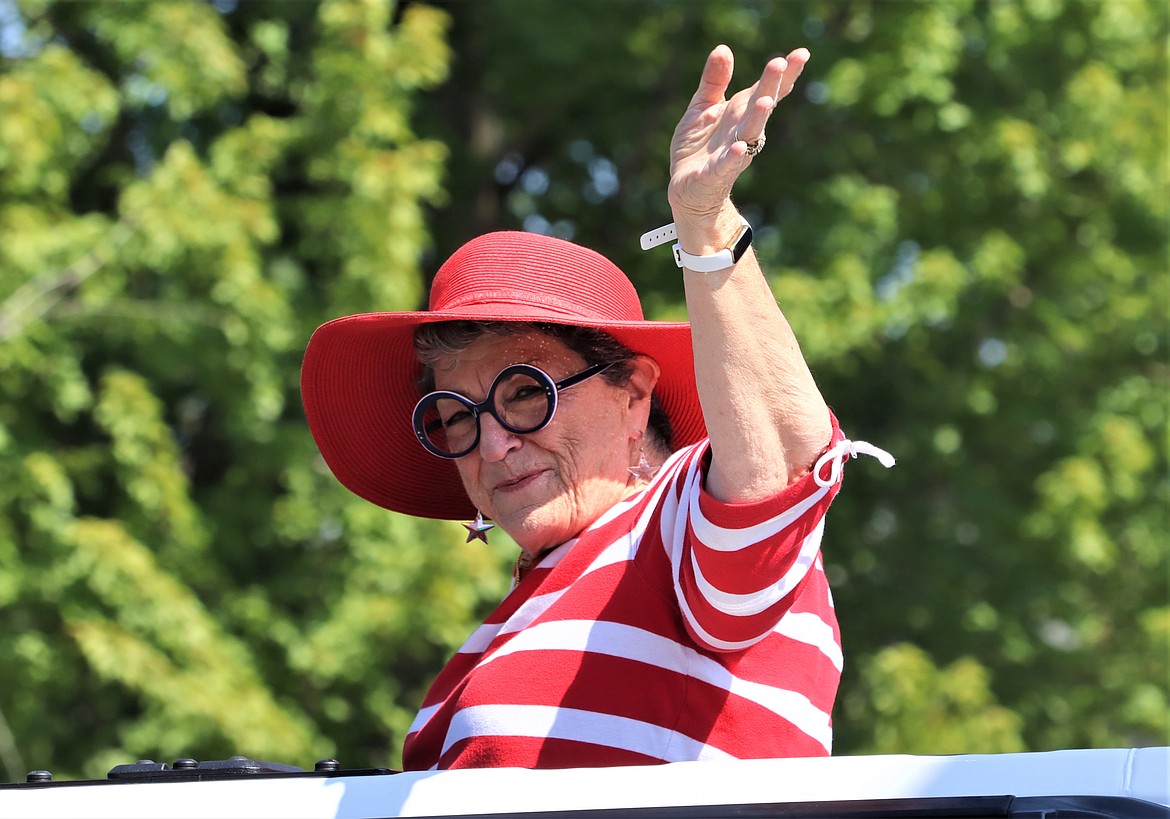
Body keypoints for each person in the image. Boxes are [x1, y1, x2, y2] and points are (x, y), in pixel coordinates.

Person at [300, 44, 892, 770]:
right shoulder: (519, 612)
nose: (490, 446)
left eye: (525, 394)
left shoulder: (676, 531)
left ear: (635, 394)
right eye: (455, 416)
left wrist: (705, 228)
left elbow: (783, 470)